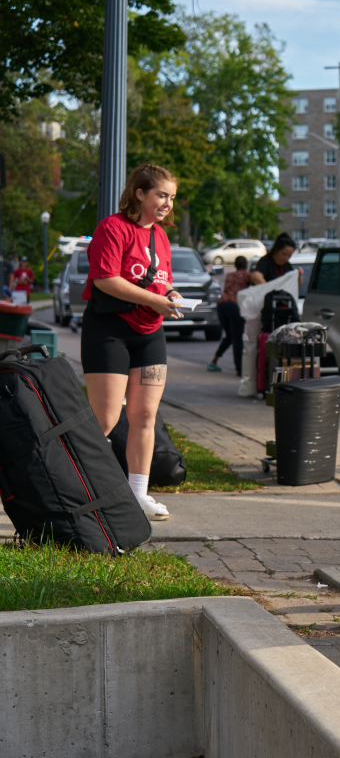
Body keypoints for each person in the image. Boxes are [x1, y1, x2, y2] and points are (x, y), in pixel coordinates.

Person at [81, 164, 184, 521]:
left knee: (144, 416)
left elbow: (160, 280)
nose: (167, 203)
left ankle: (138, 496)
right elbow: (105, 280)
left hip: (149, 333)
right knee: (105, 418)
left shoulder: (160, 236)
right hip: (109, 330)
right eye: (161, 195)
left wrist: (171, 295)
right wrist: (154, 299)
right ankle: (79, 490)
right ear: (139, 194)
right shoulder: (113, 228)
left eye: (171, 197)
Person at [209, 255, 251, 374]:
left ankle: (214, 360)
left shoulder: (229, 275)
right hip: (234, 306)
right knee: (237, 338)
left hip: (222, 305)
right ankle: (239, 369)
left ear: (235, 265)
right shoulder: (247, 275)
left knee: (229, 336)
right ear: (246, 265)